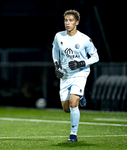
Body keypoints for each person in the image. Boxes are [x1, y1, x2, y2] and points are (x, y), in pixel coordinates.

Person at [52, 9, 99, 142]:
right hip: (65, 75)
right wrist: (57, 66)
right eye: (66, 20)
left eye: (71, 20)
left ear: (77, 22)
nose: (67, 23)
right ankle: (81, 95)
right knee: (66, 108)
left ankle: (73, 134)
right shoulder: (59, 36)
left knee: (73, 104)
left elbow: (96, 57)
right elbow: (55, 51)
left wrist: (82, 63)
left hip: (80, 73)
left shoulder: (84, 39)